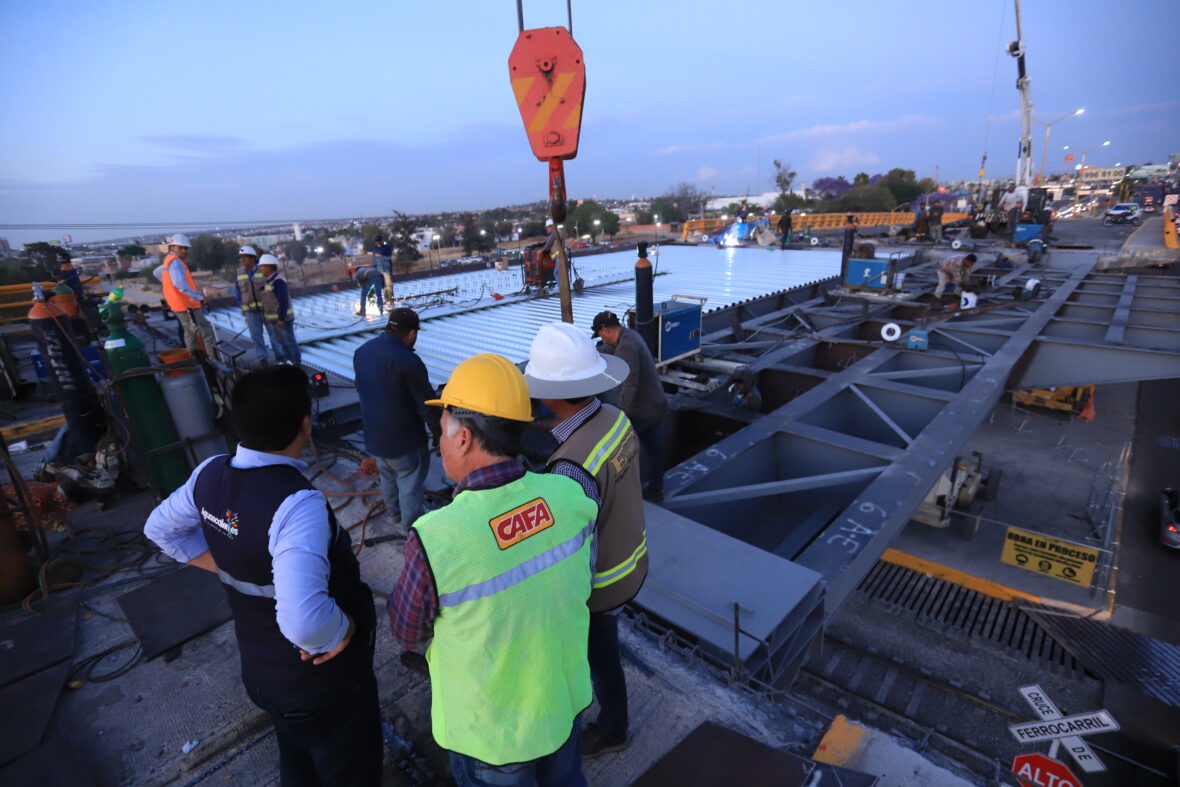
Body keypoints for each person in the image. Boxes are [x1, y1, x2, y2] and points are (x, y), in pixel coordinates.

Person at [143, 365, 382, 786]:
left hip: (262, 672)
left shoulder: (209, 473)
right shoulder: (296, 504)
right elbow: (304, 622)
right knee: (348, 769)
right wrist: (342, 630)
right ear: (305, 424)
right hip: (320, 687)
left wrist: (229, 564)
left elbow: (160, 530)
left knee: (298, 762)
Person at [388, 353, 597, 786]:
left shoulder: (436, 537)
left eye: (441, 429)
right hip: (563, 701)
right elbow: (578, 582)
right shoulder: (569, 494)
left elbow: (408, 632)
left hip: (494, 736)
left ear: (463, 438)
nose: (439, 441)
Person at [523, 322, 649, 759]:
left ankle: (612, 729)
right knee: (606, 650)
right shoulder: (616, 417)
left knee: (596, 657)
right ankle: (614, 722)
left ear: (550, 394)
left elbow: (574, 549)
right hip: (632, 558)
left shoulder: (569, 465)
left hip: (600, 583)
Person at [353, 307, 440, 531]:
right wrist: (439, 435)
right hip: (405, 440)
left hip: (375, 438)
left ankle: (393, 515)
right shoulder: (408, 361)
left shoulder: (362, 351)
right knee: (409, 482)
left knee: (388, 475)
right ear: (412, 333)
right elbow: (427, 406)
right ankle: (412, 532)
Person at [591, 311, 668, 502]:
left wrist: (620, 417)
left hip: (644, 410)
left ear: (606, 331)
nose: (601, 338)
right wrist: (592, 352)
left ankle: (622, 495)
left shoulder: (627, 347)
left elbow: (629, 384)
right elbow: (610, 351)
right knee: (655, 448)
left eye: (600, 335)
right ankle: (656, 489)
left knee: (619, 450)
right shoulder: (629, 335)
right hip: (656, 404)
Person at [158, 233, 218, 358]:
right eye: (181, 248)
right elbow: (180, 284)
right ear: (172, 247)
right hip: (187, 305)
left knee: (190, 333)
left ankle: (193, 359)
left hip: (178, 305)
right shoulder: (175, 262)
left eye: (186, 248)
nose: (184, 251)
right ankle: (214, 362)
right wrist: (199, 297)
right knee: (206, 333)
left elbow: (158, 274)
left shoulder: (168, 261)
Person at [258, 254, 301, 367]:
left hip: (282, 320)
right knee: (282, 344)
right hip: (275, 321)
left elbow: (283, 301)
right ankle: (288, 363)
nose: (260, 269)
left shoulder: (278, 281)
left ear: (268, 267)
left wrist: (281, 318)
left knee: (289, 343)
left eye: (262, 266)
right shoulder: (269, 281)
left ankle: (296, 364)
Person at [234, 245, 269, 366]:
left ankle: (280, 354)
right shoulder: (239, 272)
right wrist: (241, 304)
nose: (242, 260)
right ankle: (262, 358)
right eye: (241, 258)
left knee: (274, 332)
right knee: (256, 335)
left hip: (267, 309)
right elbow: (237, 290)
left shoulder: (263, 270)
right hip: (250, 311)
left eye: (245, 258)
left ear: (253, 258)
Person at [372, 236, 394, 301]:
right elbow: (374, 261)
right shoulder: (375, 249)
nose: (378, 242)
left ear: (381, 241)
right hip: (379, 270)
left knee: (389, 285)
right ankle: (386, 298)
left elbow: (388, 257)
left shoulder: (387, 248)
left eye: (379, 241)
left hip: (386, 269)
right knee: (383, 285)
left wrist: (381, 256)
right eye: (377, 241)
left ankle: (390, 299)